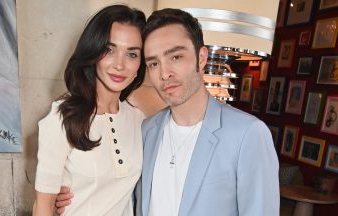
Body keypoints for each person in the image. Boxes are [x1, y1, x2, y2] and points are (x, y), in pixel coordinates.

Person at [57, 8, 280, 216]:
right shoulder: (145, 129)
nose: (165, 73)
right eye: (153, 63)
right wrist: (71, 195)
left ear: (202, 58)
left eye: (176, 57)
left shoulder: (248, 134)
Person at [32, 5, 146, 216]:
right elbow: (43, 207)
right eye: (109, 50)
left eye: (132, 54)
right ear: (93, 50)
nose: (120, 65)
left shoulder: (139, 120)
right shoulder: (63, 117)